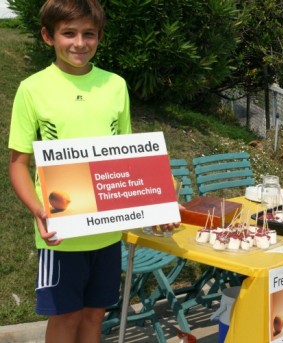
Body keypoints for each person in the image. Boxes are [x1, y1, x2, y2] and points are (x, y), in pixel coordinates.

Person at [8, 1, 179, 342]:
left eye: (89, 34)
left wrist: (158, 205)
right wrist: (37, 209)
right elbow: (17, 165)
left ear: (99, 37)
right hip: (60, 233)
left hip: (107, 233)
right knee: (65, 318)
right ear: (48, 36)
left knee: (94, 316)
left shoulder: (115, 85)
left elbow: (128, 162)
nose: (79, 43)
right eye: (68, 33)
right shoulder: (32, 88)